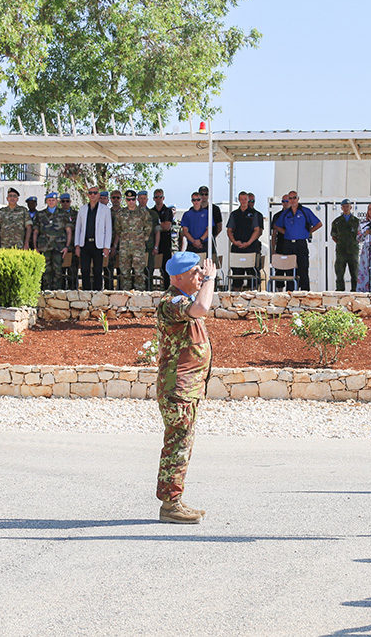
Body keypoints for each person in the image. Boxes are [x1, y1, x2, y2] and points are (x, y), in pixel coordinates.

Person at [155, 252, 216, 524]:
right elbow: (202, 309)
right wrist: (211, 280)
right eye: (195, 273)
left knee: (182, 444)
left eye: (201, 272)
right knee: (177, 445)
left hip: (187, 388)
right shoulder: (172, 301)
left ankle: (175, 500)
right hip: (177, 388)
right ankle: (171, 504)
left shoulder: (185, 299)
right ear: (178, 277)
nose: (200, 276)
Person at [273, 190, 322, 291]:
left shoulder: (305, 211)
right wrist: (286, 233)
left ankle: (305, 294)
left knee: (303, 270)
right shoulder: (285, 213)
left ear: (298, 199)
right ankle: (290, 294)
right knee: (290, 271)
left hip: (301, 244)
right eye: (290, 198)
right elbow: (276, 226)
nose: (292, 200)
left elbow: (318, 223)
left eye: (294, 198)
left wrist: (308, 233)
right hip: (288, 244)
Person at [74, 186, 112, 290]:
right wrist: (77, 245)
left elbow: (108, 229)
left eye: (95, 193)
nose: (92, 195)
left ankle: (98, 292)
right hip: (85, 244)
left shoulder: (105, 210)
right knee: (85, 270)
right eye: (90, 193)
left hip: (98, 244)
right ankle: (86, 292)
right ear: (87, 195)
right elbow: (78, 228)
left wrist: (107, 246)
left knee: (98, 270)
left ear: (98, 195)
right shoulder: (82, 209)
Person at [33, 192, 72, 291]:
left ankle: (57, 293)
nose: (51, 202)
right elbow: (36, 231)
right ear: (46, 201)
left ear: (57, 201)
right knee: (45, 271)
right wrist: (35, 247)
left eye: (53, 200)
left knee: (58, 271)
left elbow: (68, 231)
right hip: (44, 247)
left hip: (58, 247)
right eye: (49, 200)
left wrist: (67, 246)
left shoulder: (64, 214)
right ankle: (46, 293)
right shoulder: (40, 214)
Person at [115, 189, 151, 290]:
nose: (131, 202)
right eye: (128, 199)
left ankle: (139, 296)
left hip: (138, 248)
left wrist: (143, 239)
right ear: (125, 200)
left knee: (139, 273)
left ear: (136, 200)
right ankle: (126, 295)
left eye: (133, 199)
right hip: (124, 248)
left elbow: (148, 227)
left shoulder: (143, 213)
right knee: (125, 273)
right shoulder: (120, 214)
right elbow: (118, 229)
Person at [226, 190, 263, 289]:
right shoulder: (234, 214)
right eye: (241, 199)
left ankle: (254, 297)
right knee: (237, 276)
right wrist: (234, 242)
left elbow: (257, 230)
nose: (244, 201)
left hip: (251, 248)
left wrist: (248, 243)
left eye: (245, 199)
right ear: (239, 200)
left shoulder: (254, 214)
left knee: (253, 275)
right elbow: (229, 230)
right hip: (237, 248)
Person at [330, 199, 360, 291]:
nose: (346, 208)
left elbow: (360, 235)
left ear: (351, 207)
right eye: (344, 206)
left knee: (355, 273)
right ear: (341, 208)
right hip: (341, 251)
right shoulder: (337, 221)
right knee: (339, 273)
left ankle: (355, 291)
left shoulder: (356, 221)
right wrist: (341, 243)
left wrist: (352, 243)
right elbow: (334, 236)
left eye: (348, 206)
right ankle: (340, 291)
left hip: (353, 251)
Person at [152, 188, 175, 289]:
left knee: (166, 270)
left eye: (160, 197)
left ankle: (167, 290)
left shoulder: (167, 211)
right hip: (153, 245)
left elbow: (167, 227)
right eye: (156, 197)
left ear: (163, 198)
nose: (158, 199)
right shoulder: (151, 211)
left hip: (165, 244)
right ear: (153, 198)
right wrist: (161, 225)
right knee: (149, 269)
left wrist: (156, 225)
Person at [180, 192, 215, 256]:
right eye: (194, 200)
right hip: (191, 245)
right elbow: (185, 231)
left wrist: (200, 240)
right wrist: (194, 242)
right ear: (191, 201)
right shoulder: (187, 214)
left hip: (204, 244)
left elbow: (209, 229)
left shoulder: (207, 213)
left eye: (198, 199)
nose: (196, 202)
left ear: (201, 200)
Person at [269, 194, 290, 289]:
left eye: (287, 201)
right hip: (280, 246)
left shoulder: (295, 214)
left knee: (291, 272)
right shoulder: (277, 216)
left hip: (291, 247)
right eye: (283, 201)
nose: (285, 204)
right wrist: (273, 250)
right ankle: (280, 293)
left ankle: (291, 293)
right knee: (279, 272)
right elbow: (274, 234)